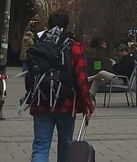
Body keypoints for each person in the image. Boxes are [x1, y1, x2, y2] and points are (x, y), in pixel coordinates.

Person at [28, 11, 94, 162]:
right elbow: (81, 78)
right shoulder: (74, 46)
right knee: (66, 144)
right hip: (66, 103)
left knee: (40, 146)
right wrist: (87, 104)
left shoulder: (40, 44)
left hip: (41, 101)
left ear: (49, 25)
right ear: (67, 25)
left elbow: (30, 74)